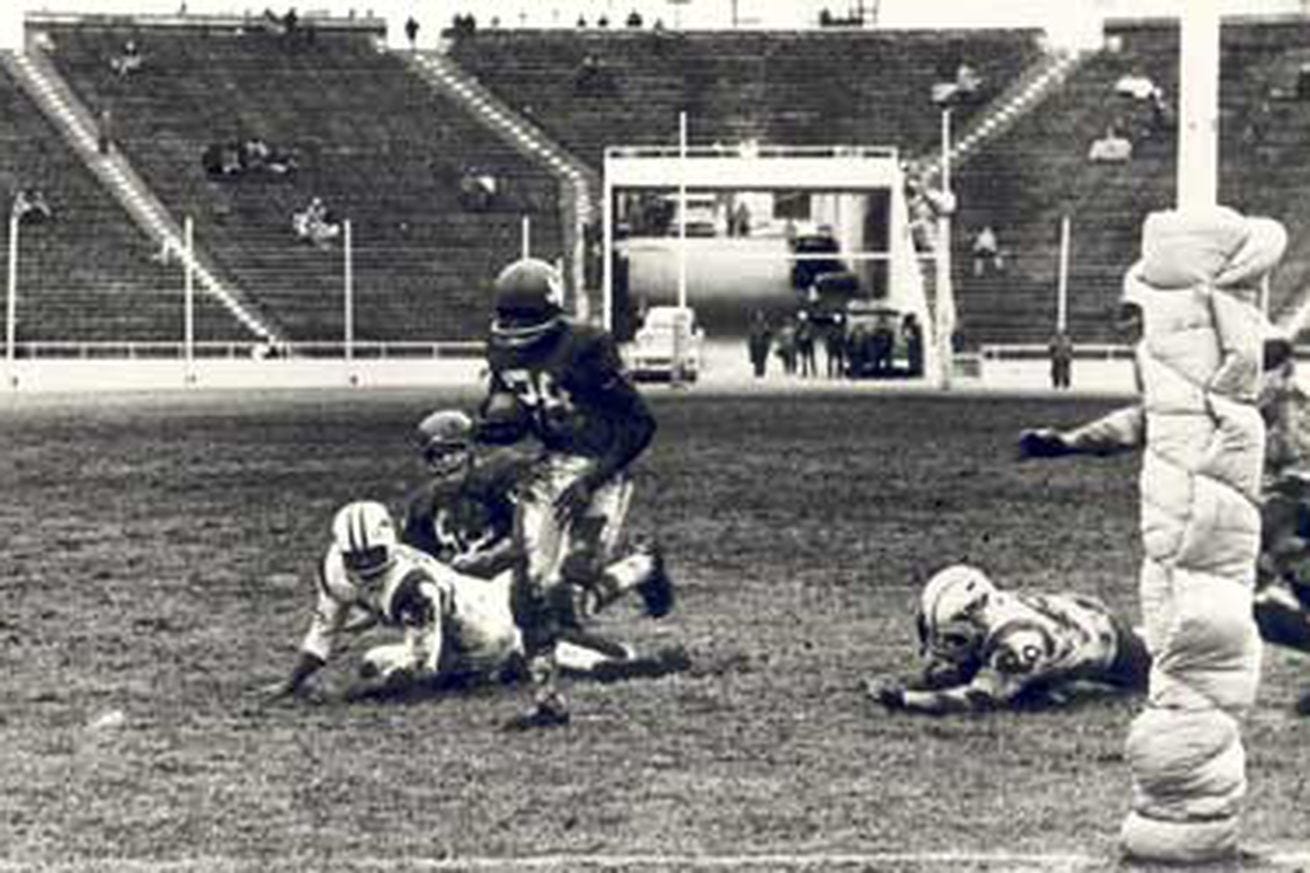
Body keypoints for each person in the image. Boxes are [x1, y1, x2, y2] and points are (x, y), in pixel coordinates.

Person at [479, 257, 673, 729]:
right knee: (528, 591)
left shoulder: (587, 345)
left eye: (523, 317)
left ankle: (642, 567)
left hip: (599, 466)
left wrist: (591, 480)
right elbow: (513, 414)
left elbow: (640, 423)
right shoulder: (500, 350)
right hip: (549, 469)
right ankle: (547, 701)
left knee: (573, 577)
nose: (513, 327)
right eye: (508, 316)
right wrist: (493, 427)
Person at [263, 501, 685, 705]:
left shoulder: (412, 585)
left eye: (372, 556)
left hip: (487, 631)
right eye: (356, 558)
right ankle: (638, 573)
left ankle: (629, 635)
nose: (363, 567)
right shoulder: (334, 568)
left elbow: (423, 668)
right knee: (373, 661)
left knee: (557, 620)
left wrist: (350, 697)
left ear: (390, 546)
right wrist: (289, 684)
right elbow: (323, 631)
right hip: (479, 594)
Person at [863, 564, 1150, 715]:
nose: (948, 647)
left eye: (954, 638)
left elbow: (978, 699)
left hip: (1115, 645)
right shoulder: (993, 609)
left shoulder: (1016, 639)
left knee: (1173, 670)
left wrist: (906, 699)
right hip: (1081, 619)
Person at [746, 310, 772, 379]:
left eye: (761, 316)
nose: (760, 317)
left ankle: (762, 372)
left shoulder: (766, 325)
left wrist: (768, 344)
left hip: (763, 345)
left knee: (762, 359)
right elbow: (751, 336)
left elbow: (769, 336)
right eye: (758, 316)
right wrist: (750, 344)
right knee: (756, 359)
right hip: (756, 345)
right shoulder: (753, 326)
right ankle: (757, 372)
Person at [794, 311, 817, 378]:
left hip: (804, 342)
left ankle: (806, 372)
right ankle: (812, 371)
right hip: (808, 341)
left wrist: (797, 339)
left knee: (805, 357)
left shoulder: (801, 324)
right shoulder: (810, 324)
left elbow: (796, 332)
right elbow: (813, 333)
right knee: (810, 357)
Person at [901, 313, 924, 378]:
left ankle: (916, 369)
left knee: (915, 356)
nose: (915, 320)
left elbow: (906, 335)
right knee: (914, 356)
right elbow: (906, 334)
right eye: (914, 319)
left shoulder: (914, 326)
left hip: (914, 342)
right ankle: (915, 369)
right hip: (913, 342)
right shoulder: (909, 325)